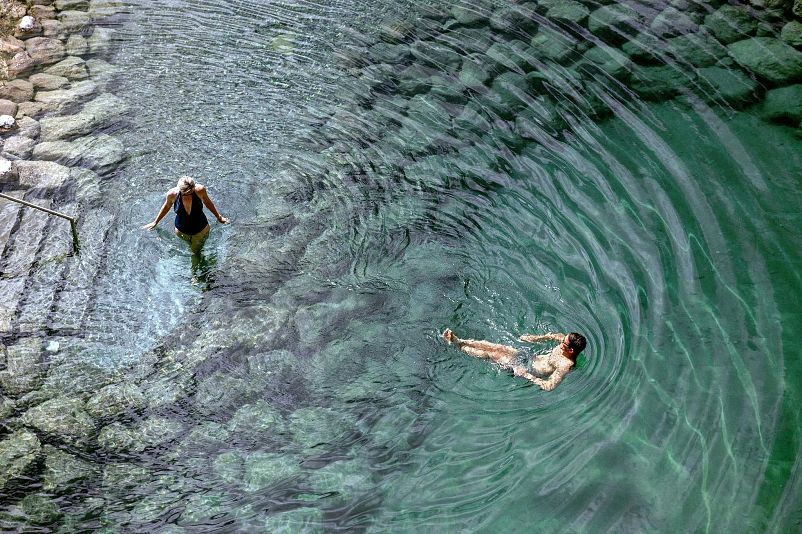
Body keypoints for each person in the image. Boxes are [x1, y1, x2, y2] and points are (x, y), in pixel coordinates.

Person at [442, 329, 587, 391]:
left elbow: (549, 386)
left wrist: (526, 375)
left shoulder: (565, 366)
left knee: (489, 355)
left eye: (564, 343)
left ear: (571, 350)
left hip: (527, 369)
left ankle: (456, 344)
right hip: (528, 356)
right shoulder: (566, 343)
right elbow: (555, 336)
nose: (561, 341)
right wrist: (535, 338)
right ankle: (460, 340)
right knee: (496, 347)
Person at [142, 176, 228, 254]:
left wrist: (219, 217)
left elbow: (208, 203)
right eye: (185, 194)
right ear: (179, 190)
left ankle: (196, 269)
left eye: (191, 192)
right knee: (192, 251)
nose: (188, 195)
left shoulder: (200, 190)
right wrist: (155, 222)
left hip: (201, 230)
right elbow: (166, 207)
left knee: (196, 253)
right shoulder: (172, 194)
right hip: (182, 232)